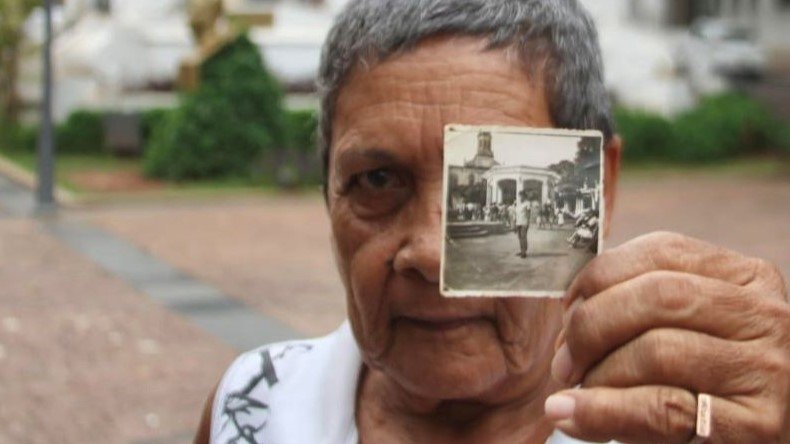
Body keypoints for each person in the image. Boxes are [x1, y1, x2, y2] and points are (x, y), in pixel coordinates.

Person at [196, 1, 790, 443]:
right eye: (377, 181)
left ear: (598, 185)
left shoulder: (692, 421)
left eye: (476, 182)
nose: (429, 253)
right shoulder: (253, 407)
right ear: (328, 192)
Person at [515, 190, 532, 258]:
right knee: (519, 237)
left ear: (524, 196)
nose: (520, 197)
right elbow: (517, 214)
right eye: (519, 196)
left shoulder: (527, 203)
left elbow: (528, 213)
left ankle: (524, 252)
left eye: (521, 196)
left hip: (524, 222)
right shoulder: (519, 204)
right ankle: (522, 250)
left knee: (523, 237)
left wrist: (527, 222)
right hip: (518, 222)